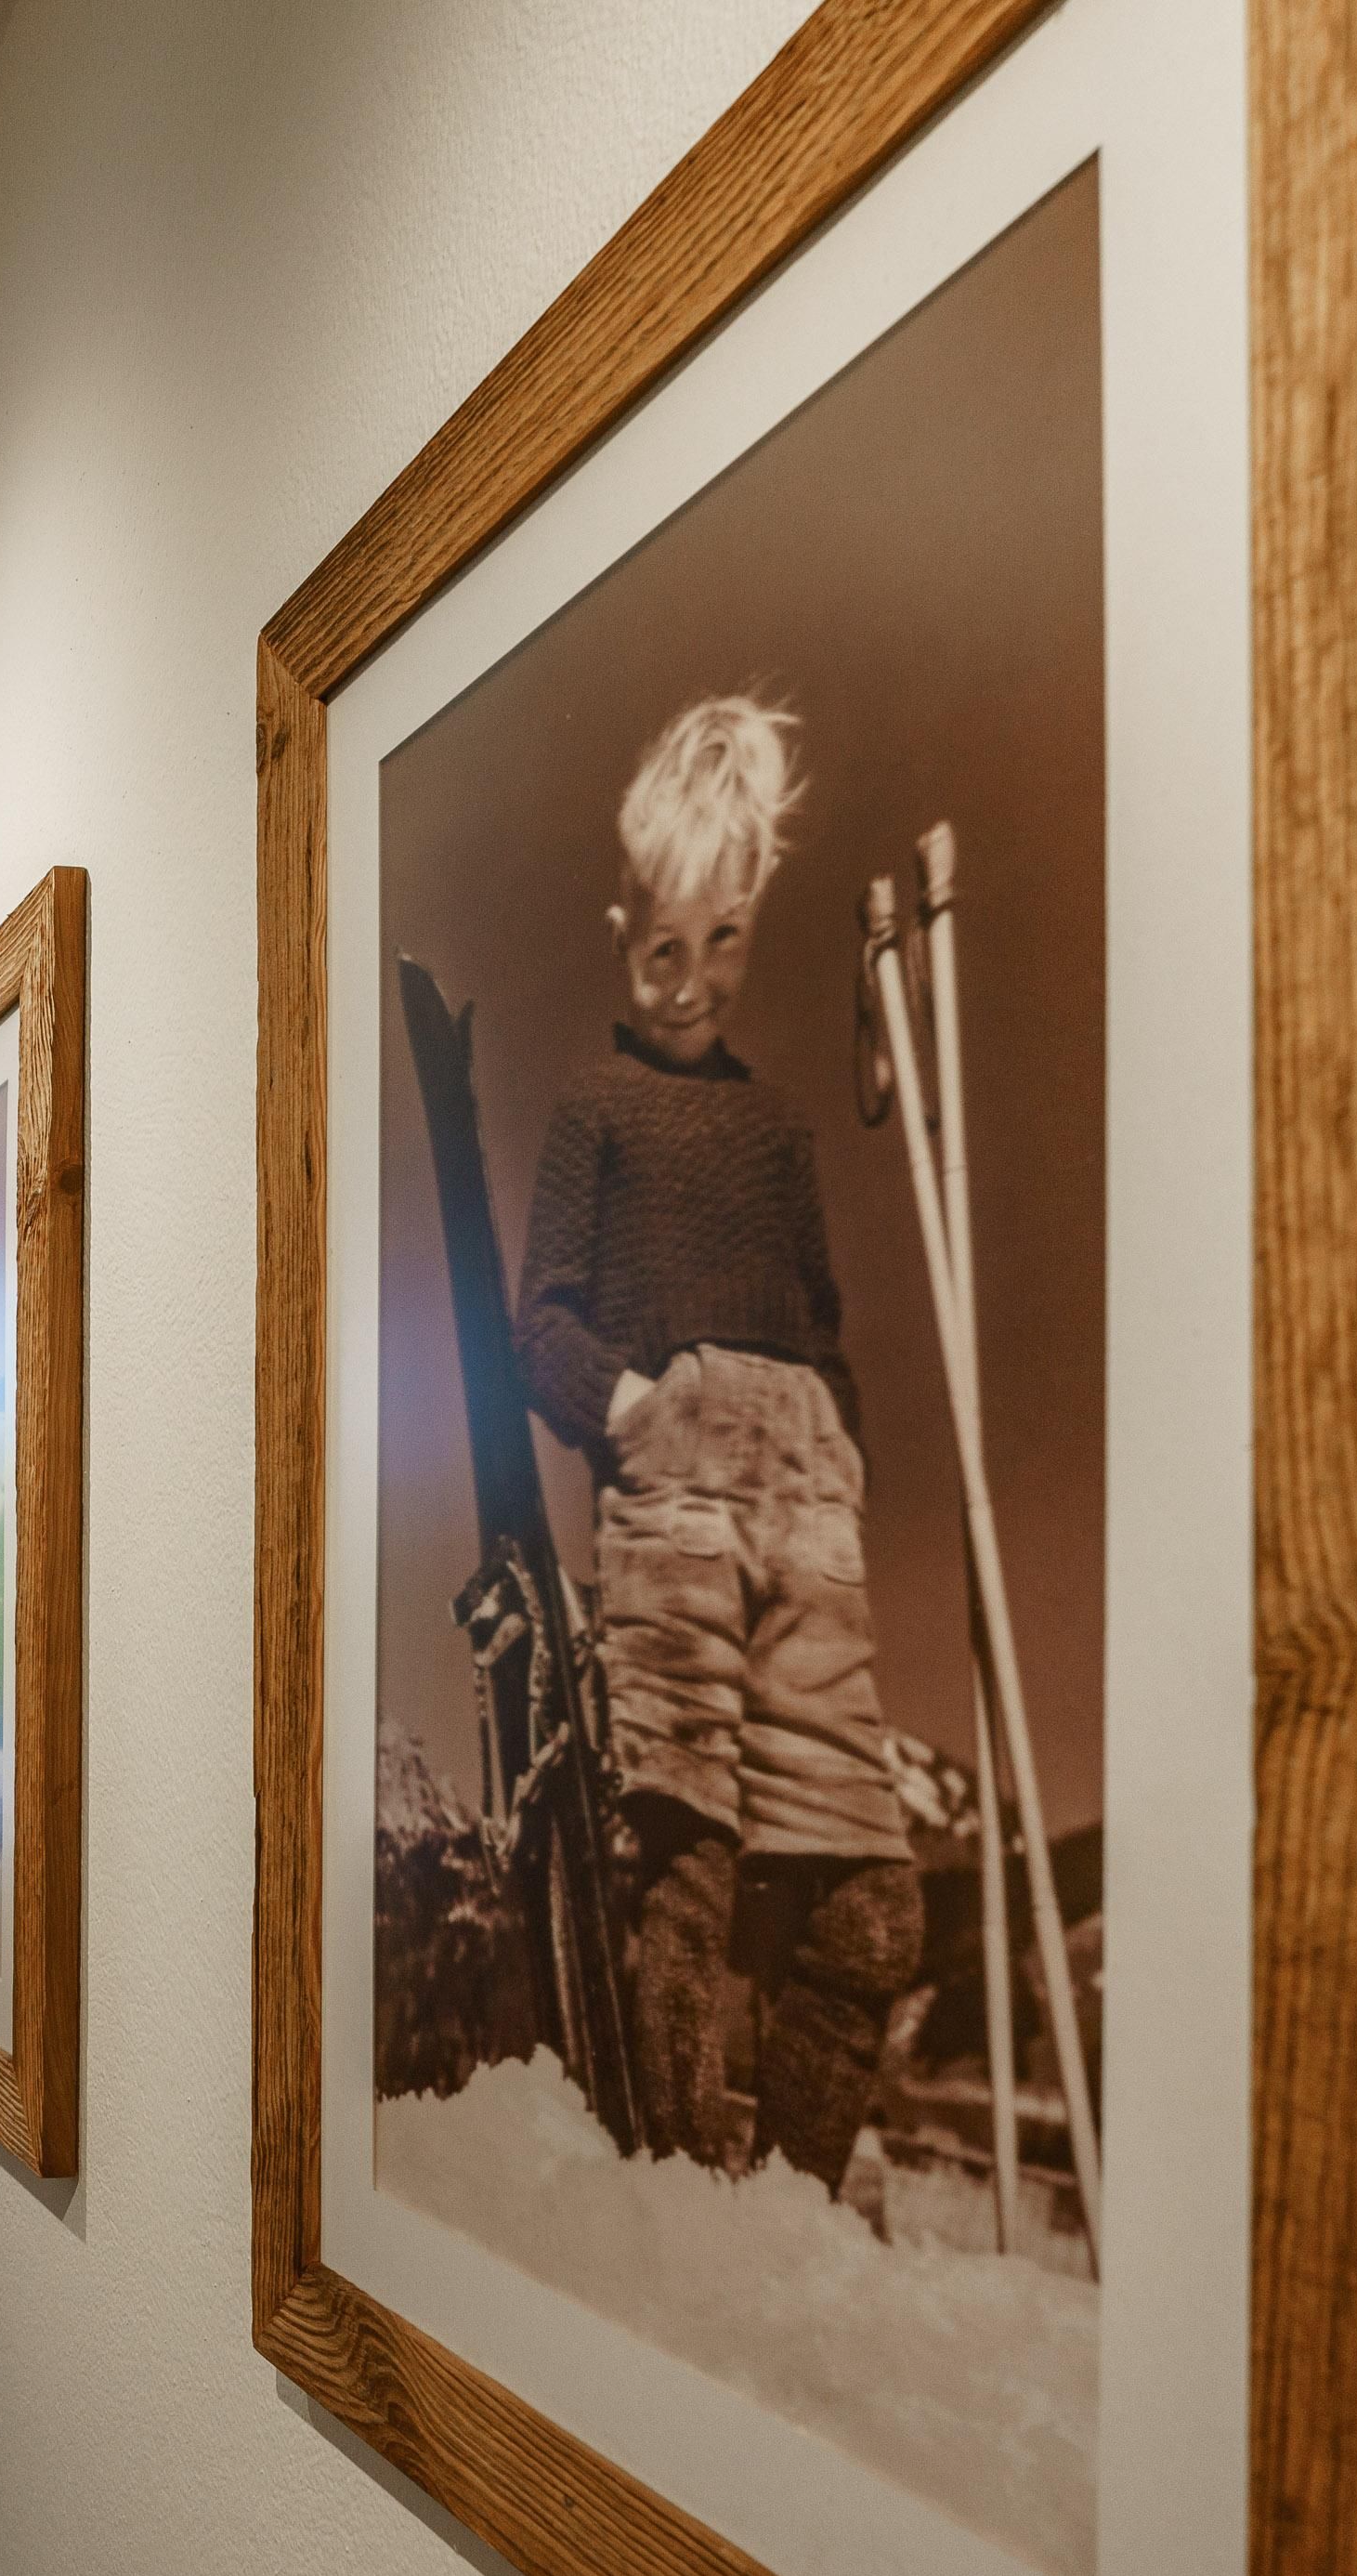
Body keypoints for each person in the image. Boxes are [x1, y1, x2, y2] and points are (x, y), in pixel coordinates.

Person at [511, 693, 922, 2185]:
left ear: (751, 922)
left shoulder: (784, 1129)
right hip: (675, 1500)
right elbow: (539, 1320)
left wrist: (840, 1446)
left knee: (870, 1907)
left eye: (723, 942)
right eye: (663, 951)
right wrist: (635, 1412)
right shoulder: (596, 1109)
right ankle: (683, 2209)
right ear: (625, 933)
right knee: (684, 1863)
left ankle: (795, 2213)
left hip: (806, 1511)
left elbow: (822, 1315)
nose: (692, 984)